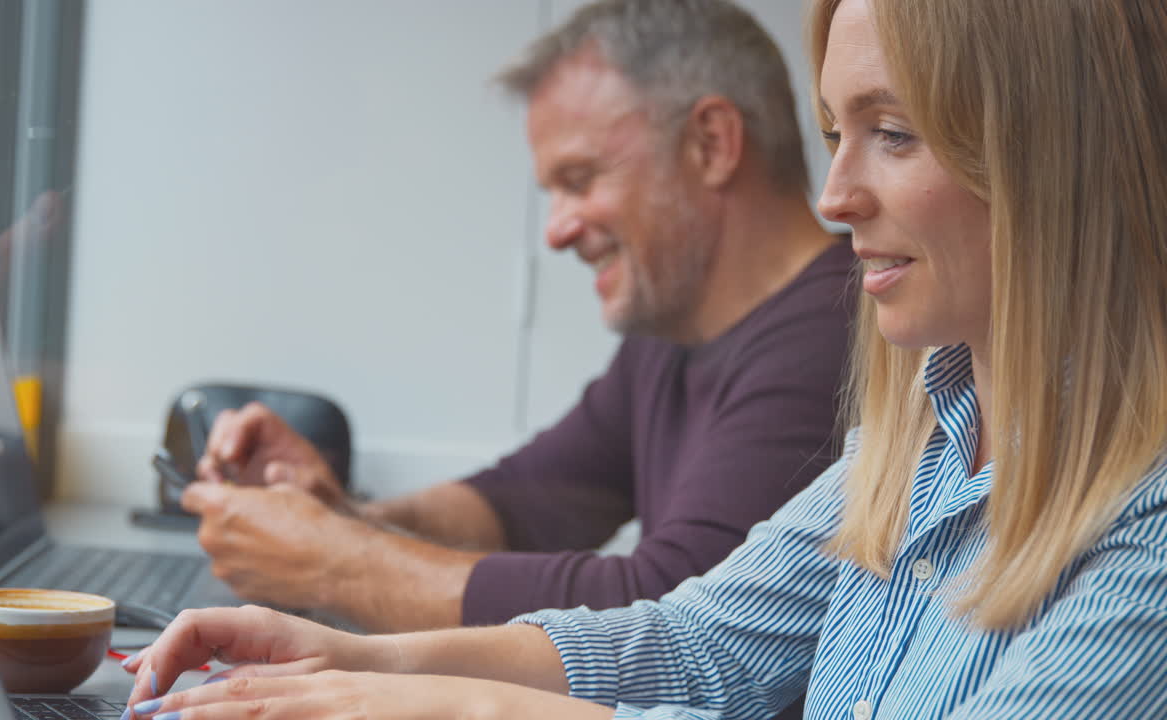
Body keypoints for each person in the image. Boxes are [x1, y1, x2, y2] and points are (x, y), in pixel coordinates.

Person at [119, 0, 1167, 717]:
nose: (836, 194)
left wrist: (433, 681)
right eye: (833, 133)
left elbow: (655, 588)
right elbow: (687, 632)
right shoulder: (918, 430)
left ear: (1046, 155)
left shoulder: (1137, 509)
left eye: (890, 133)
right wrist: (352, 642)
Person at [181, 0, 854, 635]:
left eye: (581, 178)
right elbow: (524, 504)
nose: (557, 231)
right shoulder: (673, 333)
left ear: (710, 143)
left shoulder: (838, 335)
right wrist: (333, 516)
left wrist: (333, 562)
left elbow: (668, 620)